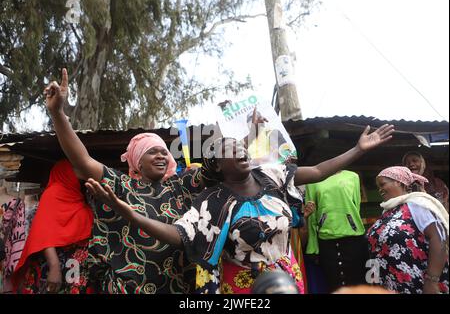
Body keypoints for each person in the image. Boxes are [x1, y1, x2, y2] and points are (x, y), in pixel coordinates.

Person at [85, 122, 394, 294]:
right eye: (231, 149)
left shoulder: (272, 175)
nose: (241, 150)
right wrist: (128, 212)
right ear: (218, 164)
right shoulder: (213, 201)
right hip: (243, 288)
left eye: (242, 146)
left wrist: (357, 149)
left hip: (289, 276)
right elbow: (178, 235)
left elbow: (317, 171)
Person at [44, 69, 204, 293]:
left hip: (181, 289)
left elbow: (223, 167)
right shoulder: (122, 186)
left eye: (163, 152)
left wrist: (251, 135)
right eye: (151, 152)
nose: (160, 155)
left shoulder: (182, 186)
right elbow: (82, 160)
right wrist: (58, 114)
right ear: (137, 162)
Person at [13, 160, 94, 294]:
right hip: (54, 266)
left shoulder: (77, 196)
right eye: (75, 169)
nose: (81, 172)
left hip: (74, 268)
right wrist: (54, 266)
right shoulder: (53, 194)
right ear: (65, 173)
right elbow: (43, 232)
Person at [367, 166, 449, 294]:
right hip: (389, 286)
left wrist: (431, 281)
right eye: (378, 186)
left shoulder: (418, 206)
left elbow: (439, 238)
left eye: (383, 184)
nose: (380, 189)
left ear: (398, 182)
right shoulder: (387, 213)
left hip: (417, 285)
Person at [305, 170, 368, 293]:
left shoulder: (353, 176)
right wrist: (313, 247)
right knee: (334, 285)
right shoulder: (312, 181)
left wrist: (352, 224)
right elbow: (311, 215)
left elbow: (356, 206)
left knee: (358, 282)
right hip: (326, 240)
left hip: (354, 238)